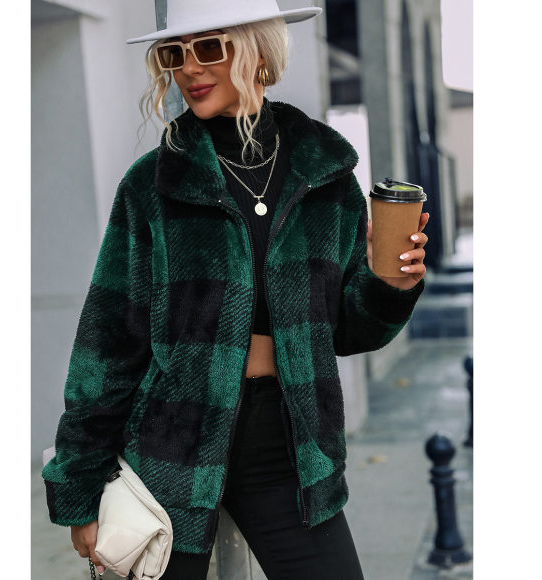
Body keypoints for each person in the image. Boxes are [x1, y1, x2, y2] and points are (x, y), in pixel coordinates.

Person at [42, 1, 429, 579]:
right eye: (174, 54)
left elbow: (349, 332)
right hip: (170, 453)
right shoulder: (153, 185)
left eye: (209, 47)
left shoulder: (324, 176)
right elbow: (108, 345)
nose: (189, 68)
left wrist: (389, 284)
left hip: (291, 452)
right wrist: (80, 482)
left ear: (258, 51)